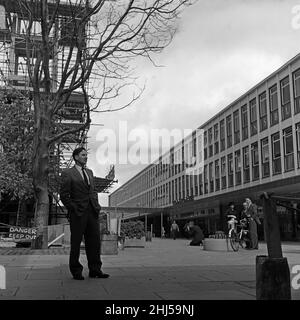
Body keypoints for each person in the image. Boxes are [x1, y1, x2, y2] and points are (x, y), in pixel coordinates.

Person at [60, 147, 109, 280]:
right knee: (76, 243)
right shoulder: (67, 173)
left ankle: (95, 270)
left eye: (86, 155)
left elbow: (92, 191)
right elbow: (63, 195)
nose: (85, 157)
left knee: (94, 242)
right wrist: (73, 208)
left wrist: (97, 207)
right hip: (78, 213)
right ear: (76, 157)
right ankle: (76, 271)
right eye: (83, 155)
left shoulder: (90, 172)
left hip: (92, 211)